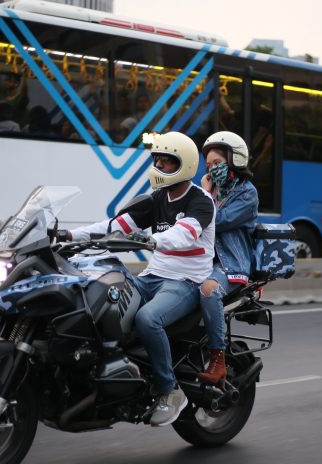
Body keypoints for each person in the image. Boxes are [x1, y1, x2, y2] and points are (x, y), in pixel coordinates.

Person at [65, 131, 216, 427]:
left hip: (185, 281)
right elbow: (113, 226)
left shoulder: (201, 201)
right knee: (100, 300)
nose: (158, 166)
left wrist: (151, 240)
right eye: (156, 159)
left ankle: (170, 390)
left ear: (184, 164)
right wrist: (69, 235)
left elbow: (184, 234)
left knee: (148, 319)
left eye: (166, 161)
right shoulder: (157, 199)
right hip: (151, 276)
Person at [197, 131, 258, 386]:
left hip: (231, 265)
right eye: (208, 165)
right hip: (203, 262)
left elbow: (217, 221)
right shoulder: (213, 191)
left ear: (235, 160)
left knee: (209, 291)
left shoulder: (247, 193)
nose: (212, 169)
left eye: (217, 163)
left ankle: (218, 360)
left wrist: (204, 194)